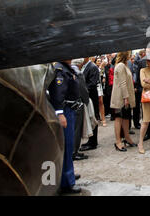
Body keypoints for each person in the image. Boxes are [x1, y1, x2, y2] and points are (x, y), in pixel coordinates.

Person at [48, 60, 82, 194]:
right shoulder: (60, 69)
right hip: (65, 110)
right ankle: (67, 182)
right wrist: (60, 113)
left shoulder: (66, 67)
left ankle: (69, 173)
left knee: (69, 145)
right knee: (67, 145)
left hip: (70, 109)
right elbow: (57, 93)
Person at [110, 51, 137, 152]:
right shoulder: (120, 65)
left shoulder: (124, 65)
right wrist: (126, 97)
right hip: (120, 97)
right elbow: (122, 83)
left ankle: (127, 138)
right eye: (129, 54)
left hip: (125, 96)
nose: (130, 56)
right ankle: (118, 141)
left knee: (126, 118)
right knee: (119, 118)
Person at [80, 56, 100, 151]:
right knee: (89, 117)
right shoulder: (85, 67)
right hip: (87, 97)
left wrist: (82, 91)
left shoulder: (93, 67)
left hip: (92, 97)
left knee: (93, 118)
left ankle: (93, 142)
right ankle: (90, 140)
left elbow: (92, 83)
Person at [71, 58, 90, 162]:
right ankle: (74, 152)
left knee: (73, 129)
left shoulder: (69, 71)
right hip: (78, 104)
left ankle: (73, 151)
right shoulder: (78, 73)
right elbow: (83, 90)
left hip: (69, 105)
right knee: (77, 129)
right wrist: (86, 102)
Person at [95, 56, 107, 127]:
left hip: (99, 86)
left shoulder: (102, 68)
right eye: (98, 61)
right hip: (94, 86)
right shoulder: (94, 67)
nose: (99, 62)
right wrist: (100, 67)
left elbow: (103, 75)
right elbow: (96, 75)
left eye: (100, 61)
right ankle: (96, 118)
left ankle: (103, 119)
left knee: (101, 102)